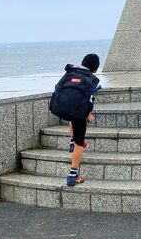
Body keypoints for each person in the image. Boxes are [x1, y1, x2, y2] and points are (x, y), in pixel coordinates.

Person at [60, 54, 101, 186]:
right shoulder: (91, 78)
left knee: (72, 119)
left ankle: (72, 141)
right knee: (80, 143)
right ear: (95, 68)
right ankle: (72, 175)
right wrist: (89, 114)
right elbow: (89, 99)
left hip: (65, 107)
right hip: (79, 112)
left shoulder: (73, 72)